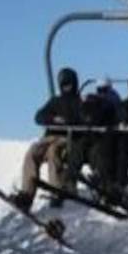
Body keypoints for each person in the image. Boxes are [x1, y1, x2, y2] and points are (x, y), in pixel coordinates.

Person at [9, 67, 84, 211]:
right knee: (33, 151)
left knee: (53, 152)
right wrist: (52, 118)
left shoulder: (79, 102)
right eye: (64, 84)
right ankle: (27, 194)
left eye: (69, 84)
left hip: (67, 137)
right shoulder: (55, 101)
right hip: (50, 136)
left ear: (74, 84)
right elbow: (39, 116)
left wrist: (68, 121)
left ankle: (56, 192)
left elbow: (83, 120)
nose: (67, 87)